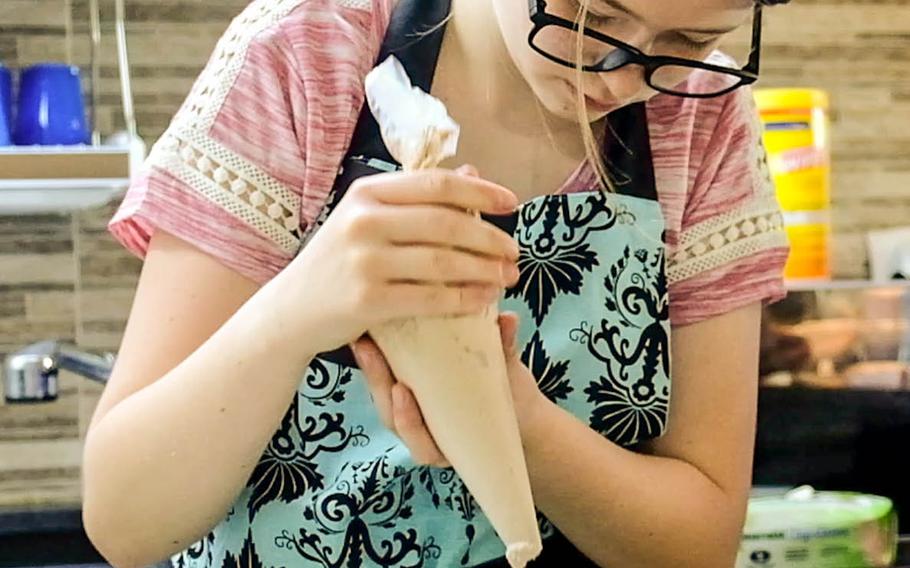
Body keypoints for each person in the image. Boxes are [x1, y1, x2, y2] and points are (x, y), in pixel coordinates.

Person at [81, 0, 792, 566]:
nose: (619, 76)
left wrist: (513, 422)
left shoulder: (700, 113)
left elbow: (697, 546)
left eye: (691, 41)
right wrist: (296, 310)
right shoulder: (309, 54)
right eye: (592, 20)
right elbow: (125, 521)